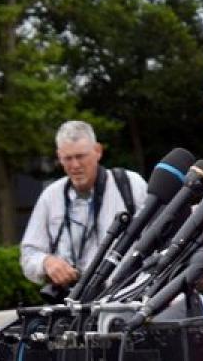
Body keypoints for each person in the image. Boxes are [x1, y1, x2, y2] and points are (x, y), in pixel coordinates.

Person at [20, 121, 147, 288]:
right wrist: (46, 262)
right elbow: (28, 255)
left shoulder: (131, 184)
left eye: (80, 156)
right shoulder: (50, 197)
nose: (75, 165)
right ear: (59, 157)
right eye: (68, 158)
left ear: (97, 151)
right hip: (74, 301)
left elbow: (159, 237)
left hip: (127, 295)